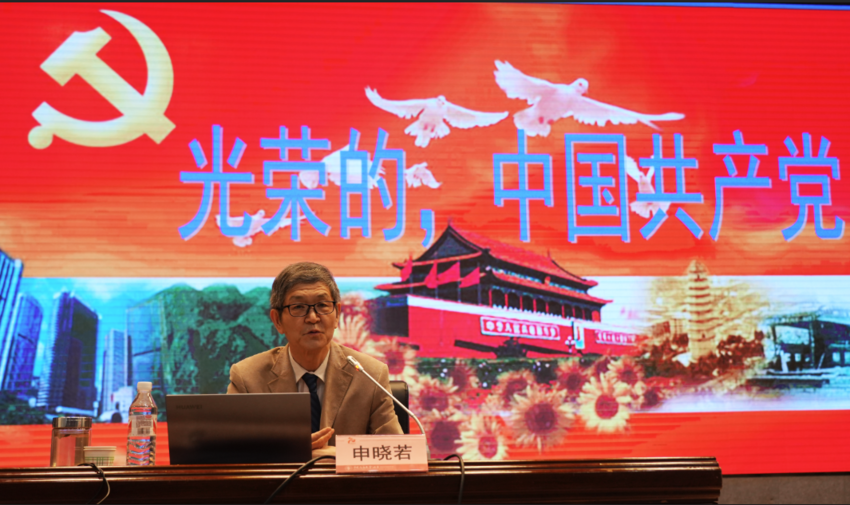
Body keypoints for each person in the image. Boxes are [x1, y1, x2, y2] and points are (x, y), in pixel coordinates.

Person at [227, 262, 402, 454]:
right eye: (298, 307)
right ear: (277, 320)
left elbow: (396, 453)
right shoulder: (248, 378)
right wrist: (292, 451)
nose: (312, 317)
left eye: (322, 305)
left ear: (337, 315)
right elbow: (231, 452)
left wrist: (337, 454)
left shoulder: (370, 374)